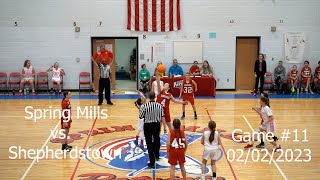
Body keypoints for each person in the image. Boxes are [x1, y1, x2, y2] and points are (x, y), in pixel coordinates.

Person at [139, 92, 166, 168]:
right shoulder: (159, 106)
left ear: (148, 97)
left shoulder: (144, 106)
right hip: (156, 125)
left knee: (149, 142)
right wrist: (164, 126)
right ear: (155, 97)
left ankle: (152, 162)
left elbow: (141, 116)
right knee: (157, 140)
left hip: (148, 125)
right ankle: (157, 156)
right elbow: (162, 116)